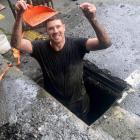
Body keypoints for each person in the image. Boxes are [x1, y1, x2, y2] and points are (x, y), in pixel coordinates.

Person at [11, 1, 111, 121]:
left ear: (64, 27)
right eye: (51, 29)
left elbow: (105, 43)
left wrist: (92, 19)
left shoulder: (77, 44)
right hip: (54, 103)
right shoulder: (39, 48)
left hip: (80, 102)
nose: (55, 31)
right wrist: (19, 16)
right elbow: (16, 43)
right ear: (47, 32)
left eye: (58, 27)